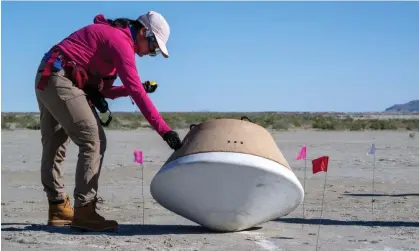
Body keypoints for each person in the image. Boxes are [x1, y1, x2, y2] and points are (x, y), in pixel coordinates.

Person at [34, 10, 182, 232]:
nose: (149, 53)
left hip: (47, 76)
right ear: (144, 31)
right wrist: (164, 131)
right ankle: (84, 210)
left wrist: (139, 88)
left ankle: (57, 208)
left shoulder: (113, 39)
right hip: (60, 78)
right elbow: (135, 92)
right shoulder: (120, 42)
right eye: (152, 47)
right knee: (94, 141)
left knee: (55, 146)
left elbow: (108, 91)